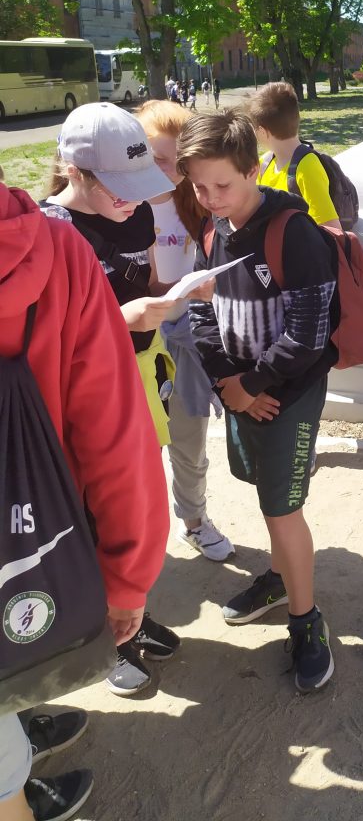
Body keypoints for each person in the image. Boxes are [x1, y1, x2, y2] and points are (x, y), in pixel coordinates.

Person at [0, 179, 169, 820]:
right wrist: (127, 576)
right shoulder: (56, 252)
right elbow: (114, 433)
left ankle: (20, 742)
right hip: (34, 541)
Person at [177, 110, 337, 693]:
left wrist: (256, 384)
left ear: (252, 170)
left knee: (281, 508)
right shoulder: (213, 228)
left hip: (288, 393)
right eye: (199, 187)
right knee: (263, 490)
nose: (210, 198)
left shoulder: (293, 231)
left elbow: (310, 332)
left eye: (221, 184)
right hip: (241, 391)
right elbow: (200, 307)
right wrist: (229, 382)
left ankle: (307, 620)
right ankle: (277, 576)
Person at [39, 103, 186, 695]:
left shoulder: (135, 213)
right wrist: (121, 319)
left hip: (137, 377)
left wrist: (172, 296)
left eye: (139, 182)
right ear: (75, 172)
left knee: (134, 502)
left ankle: (131, 615)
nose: (133, 199)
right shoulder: (50, 234)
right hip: (82, 400)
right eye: (117, 186)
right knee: (90, 518)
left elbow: (144, 279)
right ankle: (105, 643)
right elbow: (53, 342)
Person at [135, 100, 234, 562]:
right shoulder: (120, 206)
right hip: (135, 343)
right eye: (156, 158)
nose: (167, 171)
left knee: (189, 439)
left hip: (187, 337)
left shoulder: (197, 205)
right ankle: (133, 533)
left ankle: (193, 520)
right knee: (134, 447)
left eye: (178, 163)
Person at [247, 82, 341, 228]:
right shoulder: (263, 165)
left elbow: (332, 229)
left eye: (254, 129)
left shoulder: (307, 167)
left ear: (262, 132)